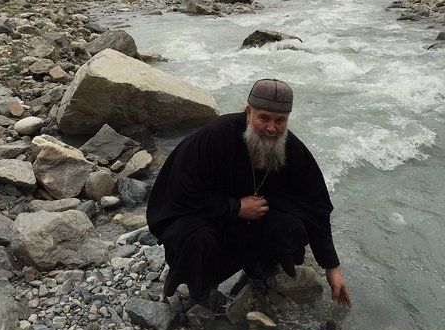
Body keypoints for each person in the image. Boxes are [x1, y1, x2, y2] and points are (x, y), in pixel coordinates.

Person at [146, 79, 352, 309]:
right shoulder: (214, 136)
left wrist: (332, 267)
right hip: (207, 217)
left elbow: (316, 206)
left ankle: (262, 270)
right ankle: (200, 288)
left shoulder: (291, 148)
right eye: (263, 117)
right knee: (196, 239)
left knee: (292, 225)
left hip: (252, 223)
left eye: (280, 120)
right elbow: (181, 191)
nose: (272, 128)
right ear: (248, 113)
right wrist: (235, 207)